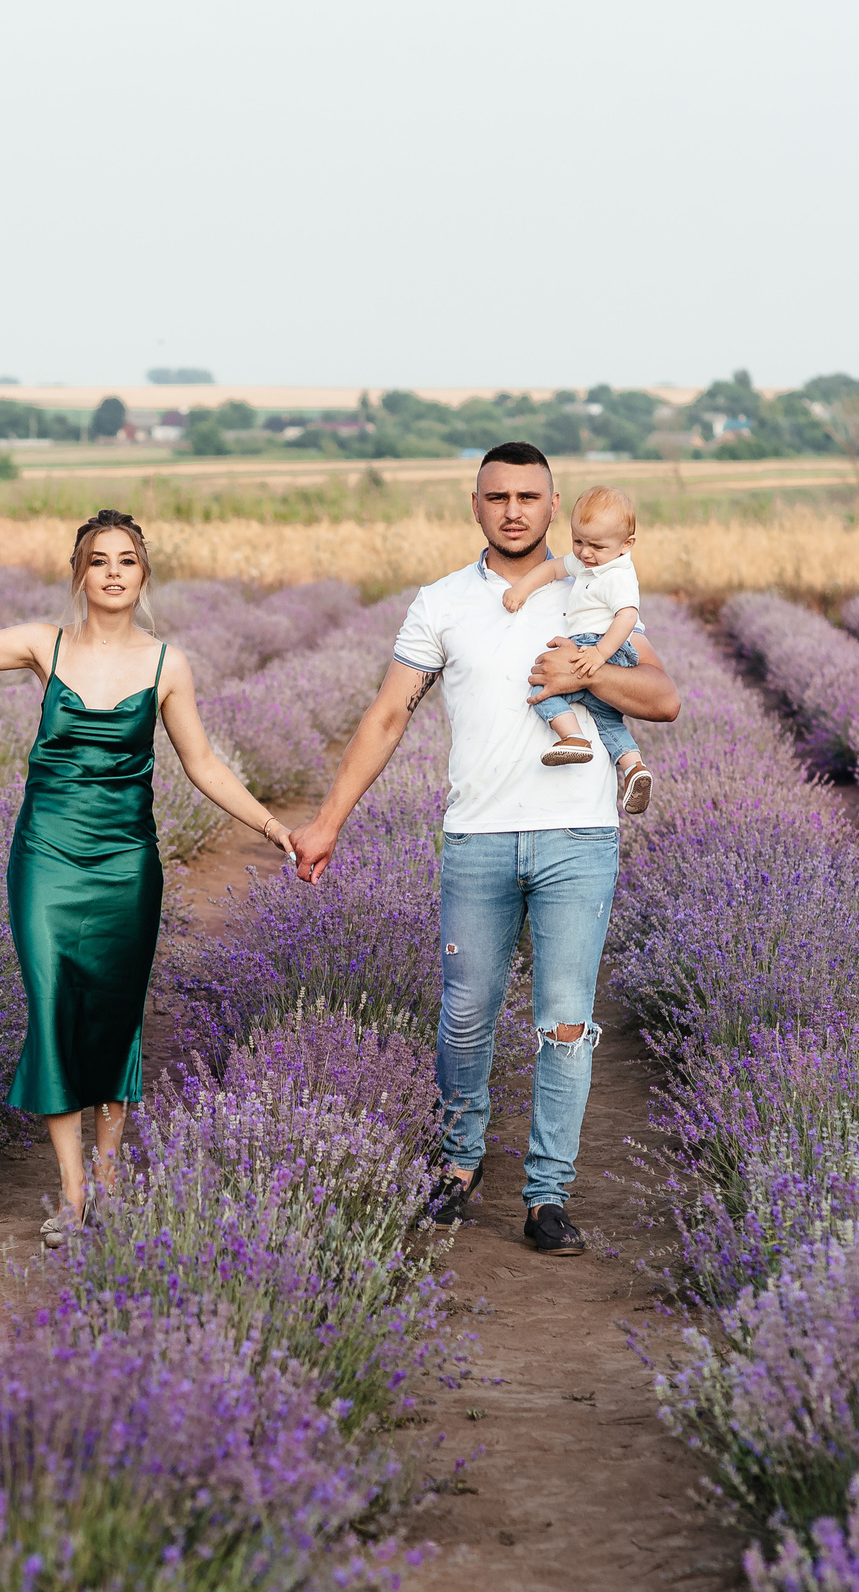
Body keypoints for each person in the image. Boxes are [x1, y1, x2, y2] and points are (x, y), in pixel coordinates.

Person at [289, 444, 680, 1255]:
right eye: (497, 496)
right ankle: (458, 1165)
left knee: (565, 1023)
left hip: (579, 835)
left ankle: (547, 1196)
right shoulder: (440, 603)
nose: (513, 509)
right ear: (475, 505)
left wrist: (586, 674)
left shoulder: (593, 590)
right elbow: (388, 714)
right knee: (465, 1017)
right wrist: (329, 819)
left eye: (528, 496)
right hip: (477, 837)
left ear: (553, 504)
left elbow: (663, 697)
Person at [0, 510, 294, 1248]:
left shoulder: (170, 663)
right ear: (78, 571)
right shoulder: (42, 644)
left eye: (127, 559)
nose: (113, 571)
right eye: (98, 559)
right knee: (53, 1007)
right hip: (45, 855)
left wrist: (274, 828)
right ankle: (73, 1198)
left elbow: (202, 764)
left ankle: (109, 1180)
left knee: (114, 1014)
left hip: (124, 863)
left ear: (144, 574)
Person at [500, 486, 656, 814]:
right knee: (607, 718)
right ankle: (634, 767)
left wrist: (598, 654)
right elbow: (554, 568)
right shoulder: (592, 563)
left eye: (596, 546)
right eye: (578, 541)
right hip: (597, 647)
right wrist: (523, 589)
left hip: (600, 644)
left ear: (627, 545)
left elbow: (628, 616)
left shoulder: (617, 574)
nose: (585, 553)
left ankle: (573, 737)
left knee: (543, 684)